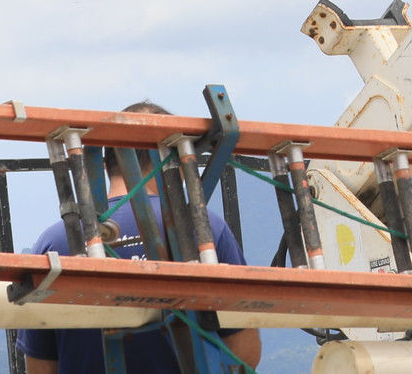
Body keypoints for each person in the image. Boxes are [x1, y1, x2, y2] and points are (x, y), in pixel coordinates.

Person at [19, 100, 261, 374]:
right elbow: (245, 353)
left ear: (107, 161)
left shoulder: (54, 241)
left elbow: (40, 367)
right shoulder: (206, 228)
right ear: (176, 160)